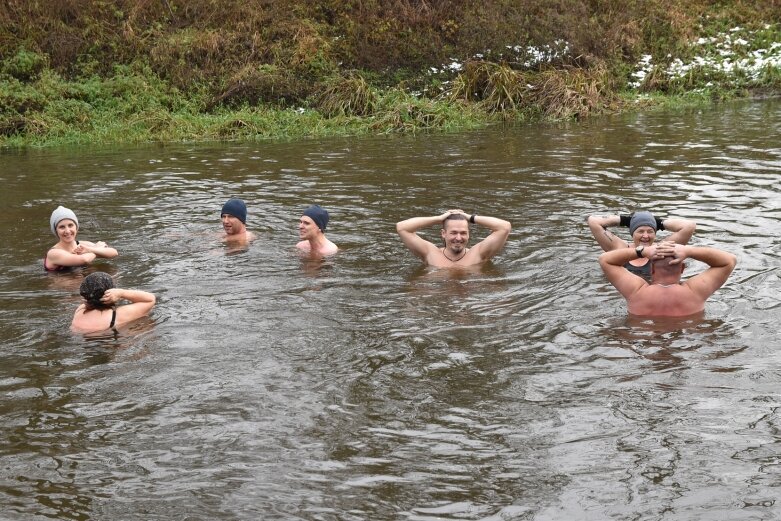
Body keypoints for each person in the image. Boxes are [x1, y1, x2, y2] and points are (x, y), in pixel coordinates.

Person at [599, 240, 736, 317]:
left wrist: (641, 251)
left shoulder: (636, 291)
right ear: (682, 269)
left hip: (644, 340)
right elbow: (729, 260)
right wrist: (689, 251)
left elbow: (604, 260)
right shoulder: (696, 291)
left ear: (651, 269)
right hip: (685, 342)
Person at [587, 211, 696, 280]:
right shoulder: (620, 248)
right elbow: (593, 221)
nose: (645, 236)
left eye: (650, 231)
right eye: (640, 231)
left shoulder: (662, 248)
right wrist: (626, 220)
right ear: (632, 233)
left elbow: (689, 226)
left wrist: (658, 223)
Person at [396, 209, 511, 268]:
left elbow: (504, 227)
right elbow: (402, 227)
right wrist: (438, 219)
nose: (458, 238)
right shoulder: (430, 254)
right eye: (454, 233)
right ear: (443, 234)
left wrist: (470, 217)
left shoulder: (478, 254)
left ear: (469, 234)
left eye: (463, 233)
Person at [71, 272, 156, 333]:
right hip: (111, 343)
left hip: (85, 341)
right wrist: (121, 293)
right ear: (111, 291)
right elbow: (150, 299)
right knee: (148, 326)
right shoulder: (116, 315)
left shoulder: (80, 310)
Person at [45, 205, 118, 272]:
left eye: (70, 225)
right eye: (62, 227)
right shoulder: (53, 253)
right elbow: (84, 259)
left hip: (85, 281)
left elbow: (114, 253)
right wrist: (96, 248)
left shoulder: (83, 245)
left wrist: (91, 249)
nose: (67, 231)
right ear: (56, 230)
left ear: (76, 227)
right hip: (64, 286)